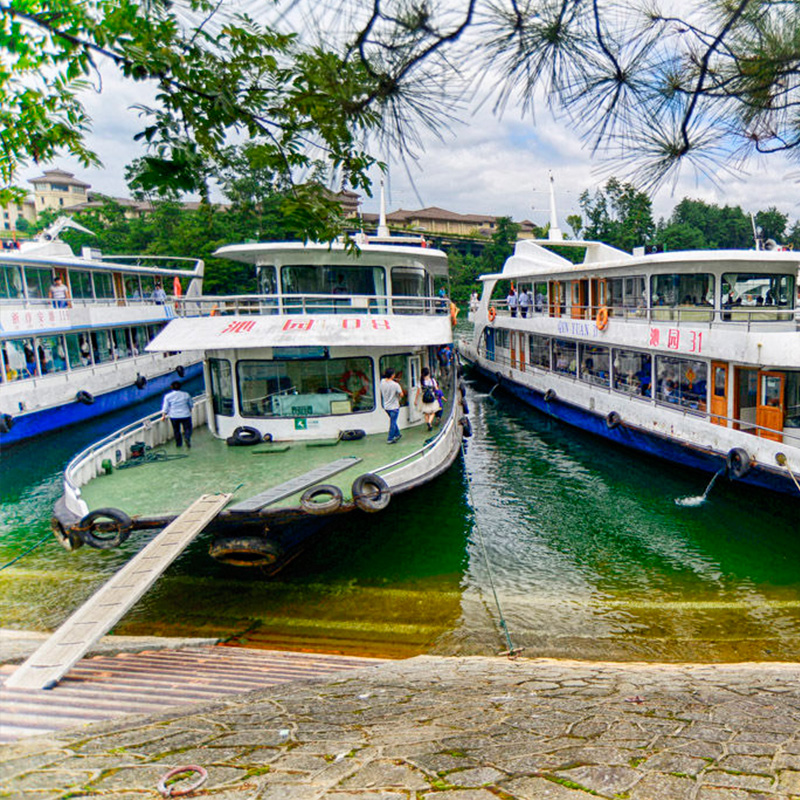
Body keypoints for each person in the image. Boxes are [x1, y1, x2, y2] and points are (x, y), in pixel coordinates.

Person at [162, 380, 194, 449]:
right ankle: (187, 437)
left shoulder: (168, 396)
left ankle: (179, 444)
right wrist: (190, 409)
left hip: (174, 416)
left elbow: (165, 407)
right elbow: (190, 404)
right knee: (188, 429)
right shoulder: (186, 394)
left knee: (176, 430)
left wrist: (163, 415)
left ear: (171, 387)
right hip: (185, 415)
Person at [380, 367, 404, 443]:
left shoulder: (382, 382)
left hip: (386, 406)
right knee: (393, 422)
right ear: (393, 375)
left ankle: (398, 434)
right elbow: (401, 394)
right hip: (394, 407)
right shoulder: (396, 385)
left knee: (393, 421)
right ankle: (390, 438)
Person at [415, 367, 439, 431]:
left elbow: (418, 391)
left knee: (426, 413)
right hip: (431, 397)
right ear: (428, 373)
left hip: (424, 398)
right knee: (433, 412)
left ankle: (428, 424)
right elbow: (436, 389)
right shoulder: (432, 380)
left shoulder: (421, 381)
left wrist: (416, 400)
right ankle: (429, 422)